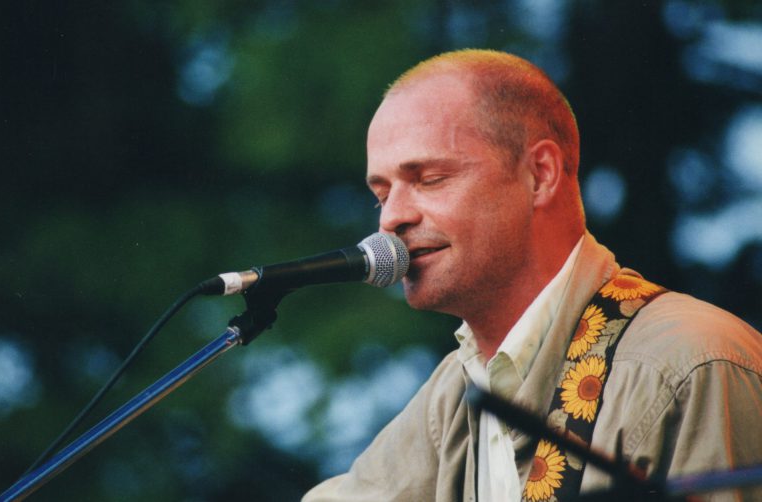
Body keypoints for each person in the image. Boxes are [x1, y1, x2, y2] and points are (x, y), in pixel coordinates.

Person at [303, 50, 762, 501]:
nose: (391, 219)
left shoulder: (691, 363)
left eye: (429, 179)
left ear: (540, 175)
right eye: (381, 195)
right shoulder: (455, 391)